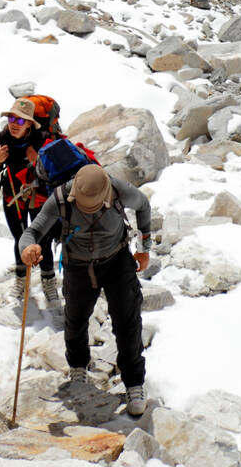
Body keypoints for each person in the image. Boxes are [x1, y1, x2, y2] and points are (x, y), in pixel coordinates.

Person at [19, 164, 152, 417]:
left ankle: (134, 382)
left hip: (117, 261)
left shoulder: (118, 189)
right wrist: (27, 249)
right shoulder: (59, 197)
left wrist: (144, 248)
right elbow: (33, 231)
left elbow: (143, 205)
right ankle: (78, 366)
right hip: (78, 266)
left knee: (127, 321)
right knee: (76, 319)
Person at [0, 97, 59, 305]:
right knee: (20, 239)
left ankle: (48, 280)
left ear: (29, 123)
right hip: (13, 196)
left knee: (41, 239)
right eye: (11, 118)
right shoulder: (2, 137)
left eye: (19, 120)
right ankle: (21, 280)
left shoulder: (42, 138)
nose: (13, 124)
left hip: (38, 196)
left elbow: (54, 171)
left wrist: (36, 160)